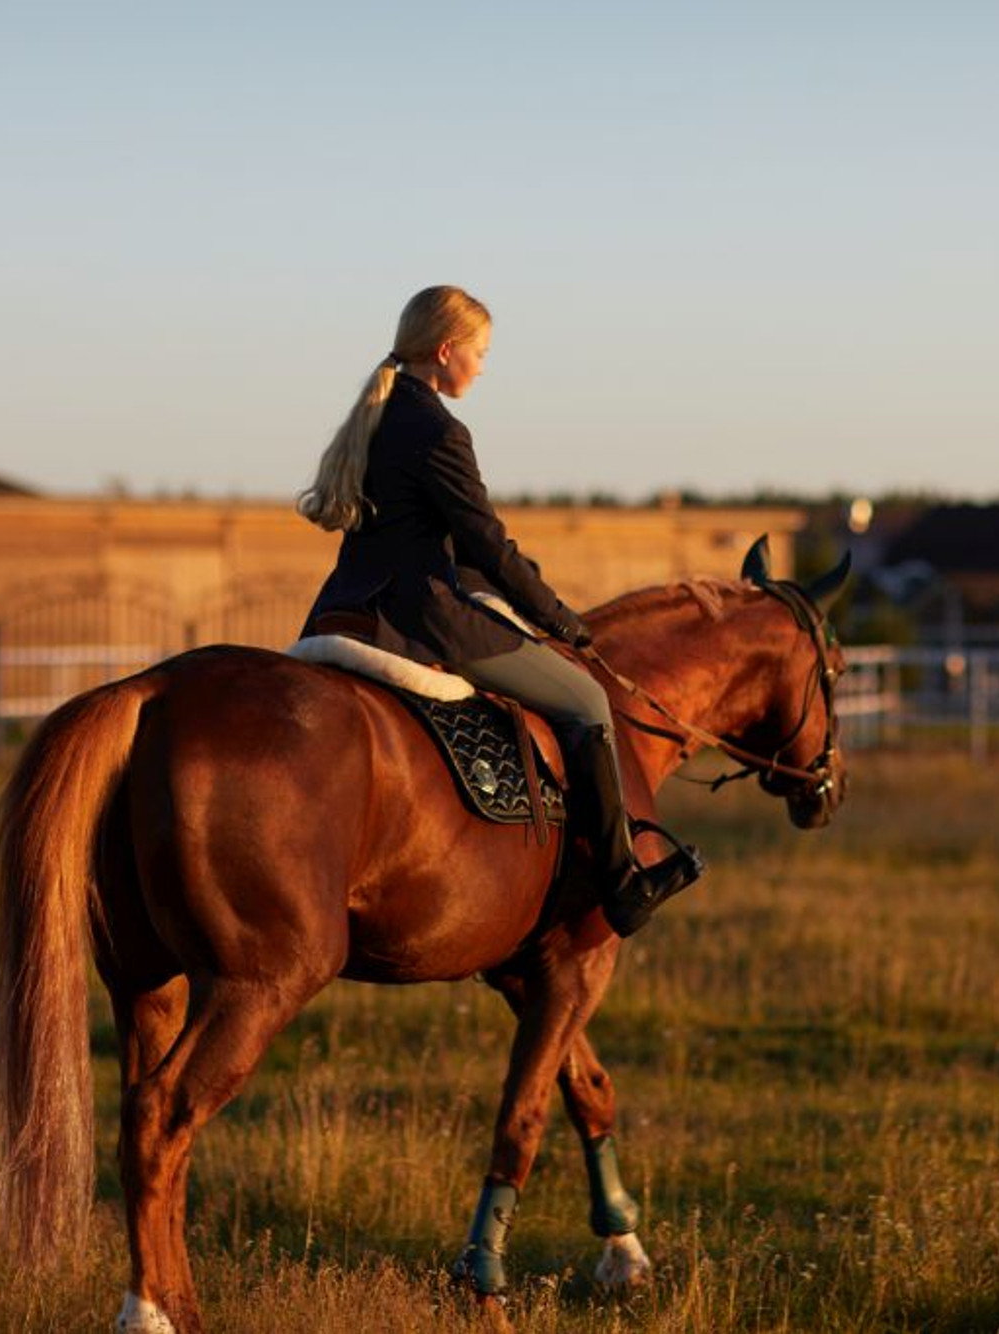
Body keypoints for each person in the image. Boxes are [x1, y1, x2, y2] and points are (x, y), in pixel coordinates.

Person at [297, 284, 702, 935]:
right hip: (420, 621)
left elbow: (454, 544)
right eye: (481, 352)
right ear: (447, 349)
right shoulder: (438, 430)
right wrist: (558, 618)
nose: (483, 366)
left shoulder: (376, 417)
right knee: (589, 703)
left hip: (340, 609)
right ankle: (623, 881)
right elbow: (487, 540)